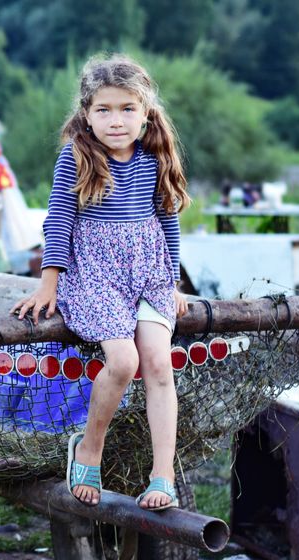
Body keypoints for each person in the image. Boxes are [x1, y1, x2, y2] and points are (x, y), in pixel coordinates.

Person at [10, 54, 191, 511]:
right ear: (86, 114)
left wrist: (172, 281)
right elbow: (58, 221)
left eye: (128, 109)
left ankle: (162, 476)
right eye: (104, 110)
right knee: (124, 361)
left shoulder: (155, 156)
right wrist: (49, 284)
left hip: (150, 275)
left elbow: (168, 220)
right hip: (95, 276)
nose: (116, 120)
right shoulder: (76, 156)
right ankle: (89, 448)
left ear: (146, 112)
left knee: (159, 364)